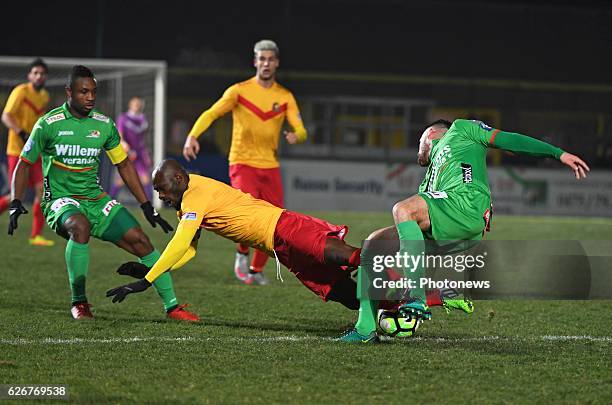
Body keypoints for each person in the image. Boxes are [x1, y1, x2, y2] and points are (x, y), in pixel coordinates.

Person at [105, 160, 472, 323]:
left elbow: (182, 240)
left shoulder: (194, 198)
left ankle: (421, 283)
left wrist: (147, 279)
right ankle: (433, 299)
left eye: (162, 188)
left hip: (284, 227)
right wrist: (154, 269)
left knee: (353, 257)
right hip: (280, 248)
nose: (161, 196)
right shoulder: (191, 192)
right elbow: (190, 248)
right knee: (342, 294)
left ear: (179, 179)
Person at [338, 118, 590, 342]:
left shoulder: (461, 129)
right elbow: (418, 248)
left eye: (420, 141)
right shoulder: (430, 179)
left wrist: (557, 153)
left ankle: (415, 297)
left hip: (466, 206)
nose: (419, 150)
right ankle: (365, 329)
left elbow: (508, 140)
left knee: (403, 209)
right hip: (451, 228)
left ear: (431, 134)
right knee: (373, 245)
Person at [7, 65, 199, 322]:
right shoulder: (48, 124)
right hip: (60, 202)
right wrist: (16, 200)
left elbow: (123, 164)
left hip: (96, 199)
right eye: (83, 92)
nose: (90, 97)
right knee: (80, 226)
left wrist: (145, 205)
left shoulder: (104, 125)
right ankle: (79, 302)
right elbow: (24, 163)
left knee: (140, 239)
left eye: (93, 92)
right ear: (69, 92)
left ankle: (173, 307)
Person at [182, 39, 307, 286]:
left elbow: (301, 129)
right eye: (262, 59)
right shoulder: (238, 90)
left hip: (270, 165)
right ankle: (241, 253)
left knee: (273, 219)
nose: (266, 63)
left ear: (277, 63)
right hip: (242, 162)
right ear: (255, 62)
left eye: (270, 59)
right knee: (247, 216)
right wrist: (193, 135)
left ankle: (255, 269)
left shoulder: (284, 96)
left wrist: (297, 135)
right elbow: (212, 113)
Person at [0, 58, 54, 246]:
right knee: (15, 196)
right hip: (17, 151)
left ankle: (36, 235)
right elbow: (6, 116)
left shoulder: (45, 96)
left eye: (42, 73)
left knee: (43, 190)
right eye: (35, 73)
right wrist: (22, 133)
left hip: (36, 151)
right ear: (29, 75)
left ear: (45, 76)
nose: (39, 76)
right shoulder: (20, 92)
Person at [109, 96, 153, 200]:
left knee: (145, 179)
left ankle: (149, 205)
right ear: (130, 105)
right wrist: (125, 146)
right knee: (120, 180)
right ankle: (109, 202)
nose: (137, 106)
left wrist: (146, 154)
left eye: (139, 104)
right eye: (135, 104)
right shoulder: (123, 118)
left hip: (139, 154)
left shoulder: (143, 120)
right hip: (127, 153)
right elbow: (119, 135)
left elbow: (144, 139)